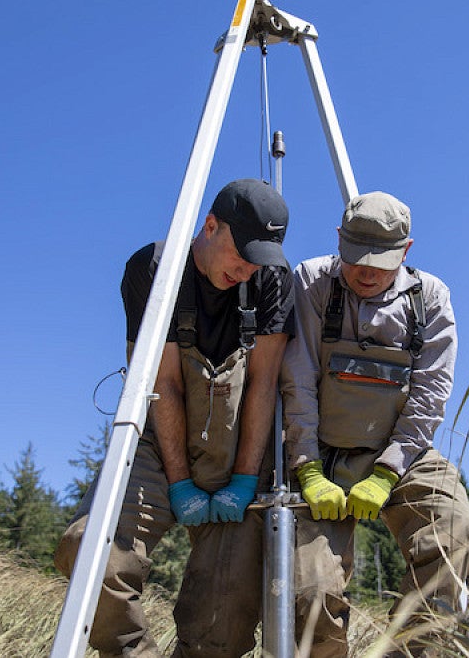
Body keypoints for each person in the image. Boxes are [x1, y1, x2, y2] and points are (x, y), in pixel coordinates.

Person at [55, 178, 294, 657]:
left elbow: (264, 383)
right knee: (90, 555)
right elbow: (163, 383)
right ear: (209, 225)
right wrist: (180, 483)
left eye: (259, 259)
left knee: (221, 624)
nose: (248, 270)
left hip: (238, 453)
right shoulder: (154, 270)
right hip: (160, 447)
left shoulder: (272, 278)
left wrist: (246, 480)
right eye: (241, 253)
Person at [280, 191, 469, 657]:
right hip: (321, 455)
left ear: (406, 250)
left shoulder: (429, 297)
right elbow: (298, 378)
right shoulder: (312, 282)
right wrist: (307, 467)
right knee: (311, 594)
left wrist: (388, 472)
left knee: (455, 528)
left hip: (402, 453)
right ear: (338, 241)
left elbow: (430, 395)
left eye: (381, 261)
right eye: (355, 259)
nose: (366, 272)